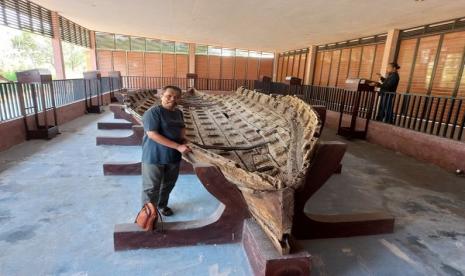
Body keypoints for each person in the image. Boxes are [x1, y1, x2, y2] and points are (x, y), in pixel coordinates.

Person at [141, 85, 191, 216]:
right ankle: (147, 216)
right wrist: (178, 146)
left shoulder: (178, 112)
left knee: (168, 184)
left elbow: (182, 128)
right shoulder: (153, 112)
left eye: (176, 97)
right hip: (154, 156)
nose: (172, 99)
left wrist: (183, 139)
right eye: (169, 96)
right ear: (161, 96)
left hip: (173, 157)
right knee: (151, 188)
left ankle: (162, 205)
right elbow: (152, 134)